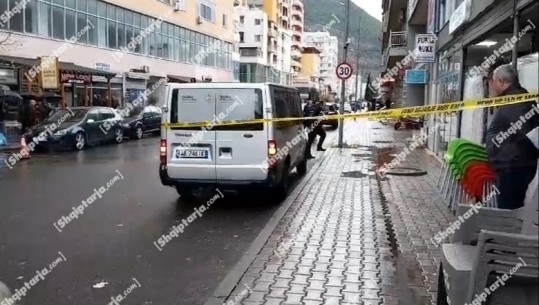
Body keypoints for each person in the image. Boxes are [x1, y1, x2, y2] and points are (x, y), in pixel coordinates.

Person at [485, 64, 539, 210]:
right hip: (512, 165)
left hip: (513, 167)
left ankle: (506, 231)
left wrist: (505, 154)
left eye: (493, 81)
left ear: (501, 81)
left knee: (508, 210)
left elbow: (527, 133)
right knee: (509, 207)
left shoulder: (517, 100)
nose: (492, 86)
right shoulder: (515, 97)